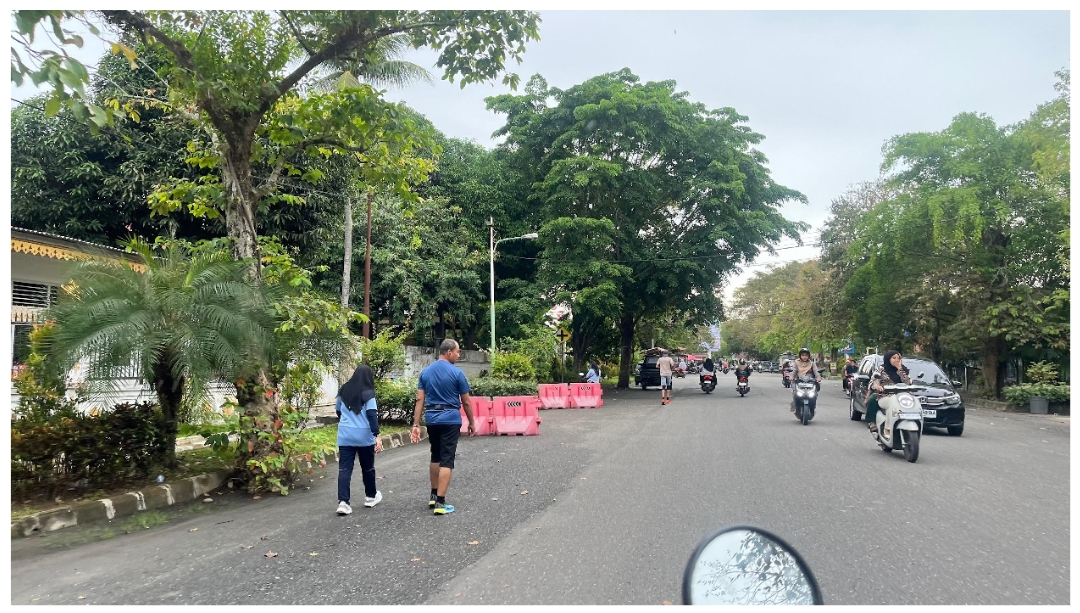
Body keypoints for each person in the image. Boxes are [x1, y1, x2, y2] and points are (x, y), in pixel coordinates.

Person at [410, 339, 475, 515]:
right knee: (447, 459)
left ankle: (433, 495)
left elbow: (419, 400)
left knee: (435, 456)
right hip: (450, 419)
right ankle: (441, 502)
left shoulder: (425, 372)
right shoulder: (457, 373)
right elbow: (466, 402)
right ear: (449, 352)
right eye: (457, 352)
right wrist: (472, 422)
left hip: (432, 419)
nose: (458, 355)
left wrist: (416, 424)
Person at [335, 365, 383, 516]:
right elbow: (372, 415)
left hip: (345, 435)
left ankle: (343, 503)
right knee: (367, 468)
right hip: (364, 437)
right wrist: (377, 435)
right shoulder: (369, 393)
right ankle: (370, 497)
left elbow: (338, 410)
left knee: (344, 469)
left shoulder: (343, 390)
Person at [866, 350, 911, 433]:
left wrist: (900, 369)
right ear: (888, 359)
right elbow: (874, 380)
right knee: (892, 403)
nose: (897, 360)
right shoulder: (881, 369)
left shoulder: (904, 370)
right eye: (894, 358)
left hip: (901, 397)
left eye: (898, 358)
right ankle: (888, 430)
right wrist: (877, 386)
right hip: (885, 396)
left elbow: (908, 383)